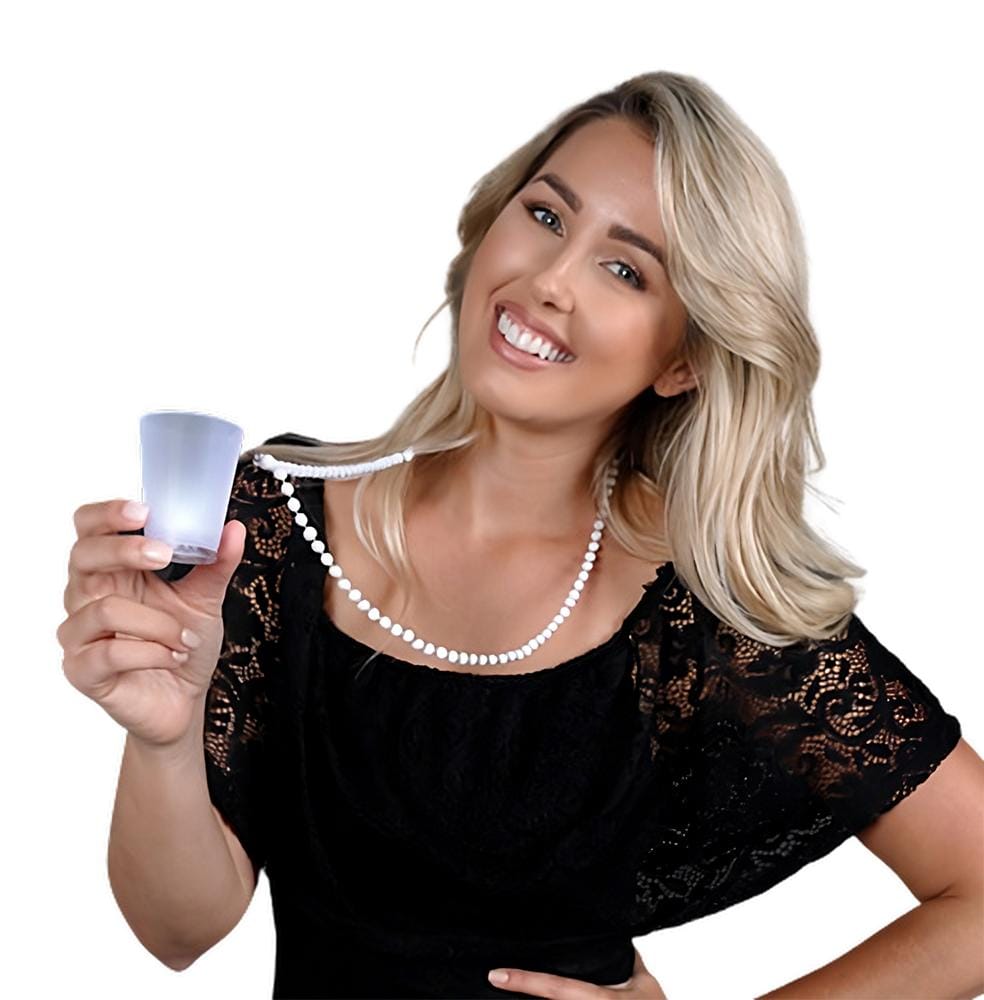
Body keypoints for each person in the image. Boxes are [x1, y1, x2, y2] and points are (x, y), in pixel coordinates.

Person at [58, 71, 983, 999]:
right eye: (546, 216)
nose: (548, 282)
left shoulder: (700, 610)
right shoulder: (268, 524)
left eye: (625, 270)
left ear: (684, 360)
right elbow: (178, 932)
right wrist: (164, 738)